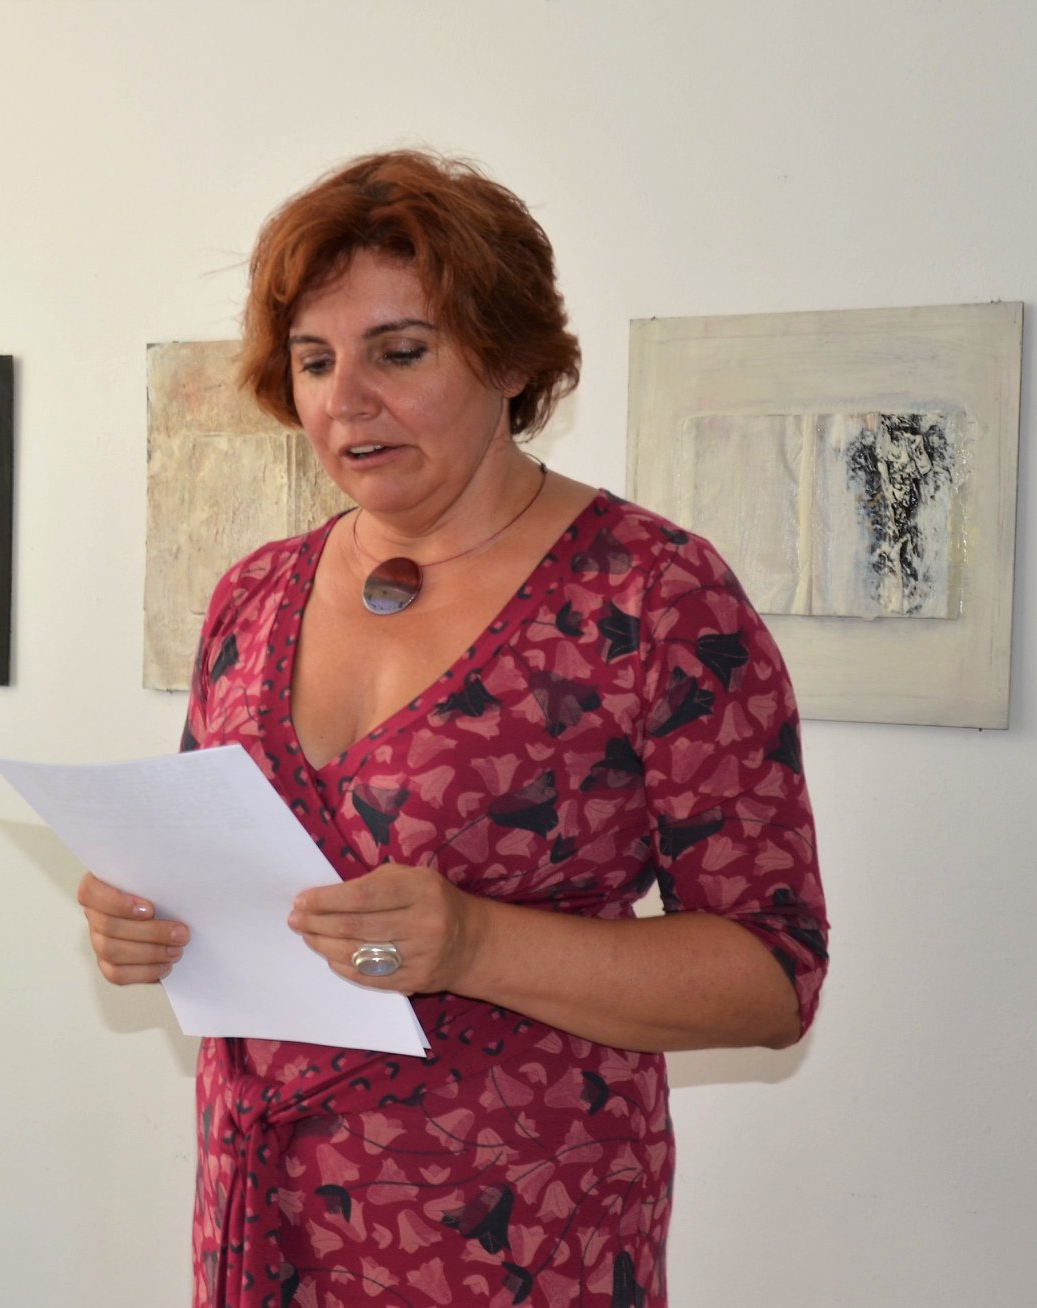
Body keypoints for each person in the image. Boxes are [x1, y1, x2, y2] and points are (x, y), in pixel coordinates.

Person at [79, 152, 829, 1307]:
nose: (345, 400)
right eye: (315, 361)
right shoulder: (253, 594)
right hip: (261, 1216)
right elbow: (215, 864)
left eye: (400, 351)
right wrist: (143, 916)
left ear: (512, 359)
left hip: (519, 1242)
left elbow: (773, 978)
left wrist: (476, 944)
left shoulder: (653, 595)